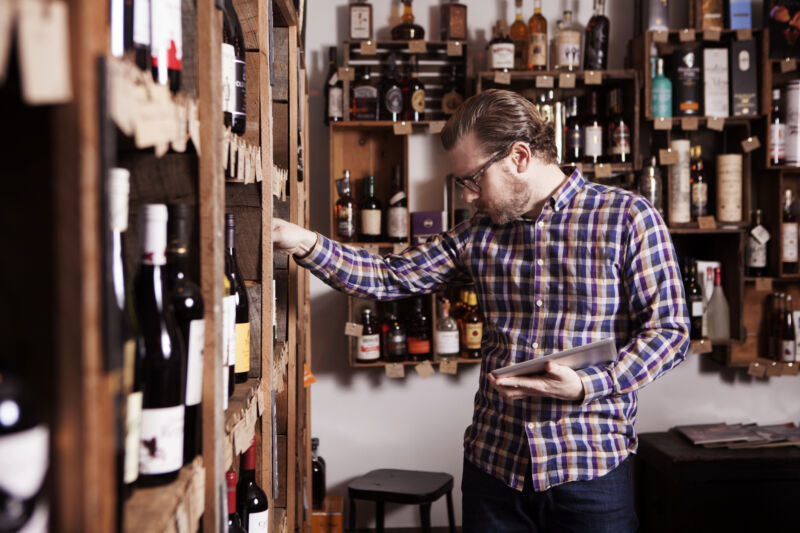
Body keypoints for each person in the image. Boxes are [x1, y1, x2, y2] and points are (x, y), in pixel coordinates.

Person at [273, 89, 689, 532]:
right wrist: (306, 242)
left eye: (473, 180)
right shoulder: (479, 233)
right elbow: (390, 276)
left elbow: (670, 332)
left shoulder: (628, 217)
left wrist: (590, 385)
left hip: (591, 472)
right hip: (495, 470)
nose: (469, 197)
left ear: (520, 157)